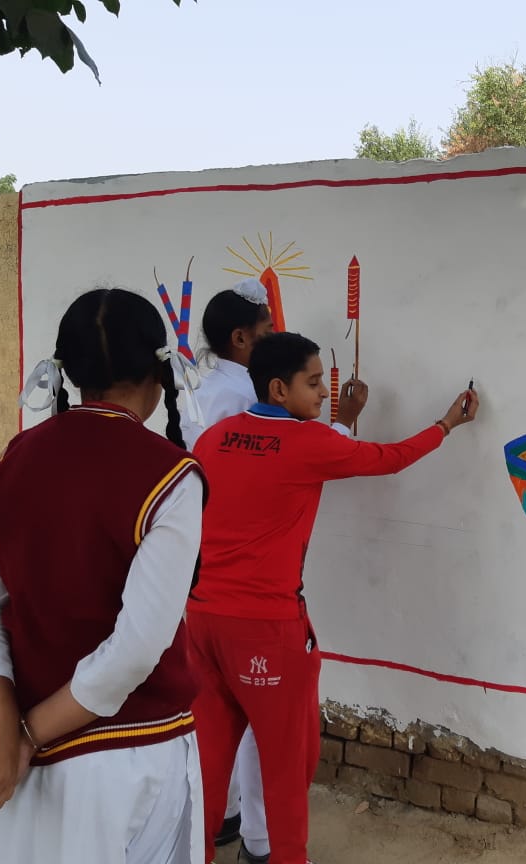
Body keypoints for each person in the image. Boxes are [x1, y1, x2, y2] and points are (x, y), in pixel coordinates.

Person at [0, 288, 207, 864]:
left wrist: (4, 724)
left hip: (27, 764)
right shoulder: (170, 476)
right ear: (158, 374)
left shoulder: (14, 460)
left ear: (66, 372)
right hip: (128, 760)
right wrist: (22, 735)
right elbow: (135, 650)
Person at [187, 332, 479, 864]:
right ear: (279, 387)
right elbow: (387, 458)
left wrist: (343, 416)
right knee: (285, 767)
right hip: (266, 630)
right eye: (315, 382)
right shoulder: (308, 444)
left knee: (207, 766)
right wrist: (445, 425)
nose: (326, 392)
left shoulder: (215, 439)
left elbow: (294, 459)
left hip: (203, 623)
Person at [183, 279, 368, 862]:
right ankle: (262, 845)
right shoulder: (239, 408)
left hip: (208, 598)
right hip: (257, 609)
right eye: (267, 333)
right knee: (272, 748)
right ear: (247, 345)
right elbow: (299, 452)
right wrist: (347, 420)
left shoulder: (213, 402)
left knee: (223, 737)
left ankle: (230, 828)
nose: (273, 338)